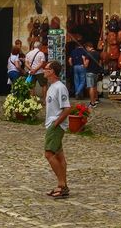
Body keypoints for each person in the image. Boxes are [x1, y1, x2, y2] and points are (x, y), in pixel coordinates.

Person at [43, 61, 72, 198]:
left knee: (49, 154)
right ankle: (62, 185)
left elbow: (67, 108)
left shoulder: (60, 87)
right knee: (59, 155)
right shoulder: (52, 87)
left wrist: (56, 123)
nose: (44, 70)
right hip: (52, 124)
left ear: (52, 71)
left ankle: (62, 184)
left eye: (46, 68)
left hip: (56, 125)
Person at [83, 42, 102, 107]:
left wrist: (83, 59)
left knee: (91, 87)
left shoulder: (88, 54)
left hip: (90, 72)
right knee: (95, 87)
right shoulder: (97, 53)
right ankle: (96, 99)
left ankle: (92, 103)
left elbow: (86, 65)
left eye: (86, 48)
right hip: (96, 72)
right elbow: (100, 63)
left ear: (88, 47)